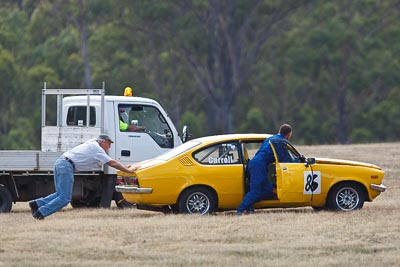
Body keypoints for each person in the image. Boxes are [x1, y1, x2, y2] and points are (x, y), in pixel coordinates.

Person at [28, 134, 139, 220]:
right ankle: (40, 213)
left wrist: (124, 167)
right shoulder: (97, 149)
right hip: (66, 166)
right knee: (65, 199)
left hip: (60, 162)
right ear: (103, 142)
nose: (109, 147)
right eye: (109, 144)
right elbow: (112, 163)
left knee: (59, 194)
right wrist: (128, 170)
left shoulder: (92, 143)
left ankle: (36, 204)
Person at [236, 124, 293, 215]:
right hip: (259, 166)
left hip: (256, 164)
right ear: (289, 134)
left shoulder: (271, 138)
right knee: (255, 191)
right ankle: (240, 210)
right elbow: (285, 159)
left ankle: (249, 205)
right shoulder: (280, 141)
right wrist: (298, 160)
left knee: (268, 190)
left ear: (279, 130)